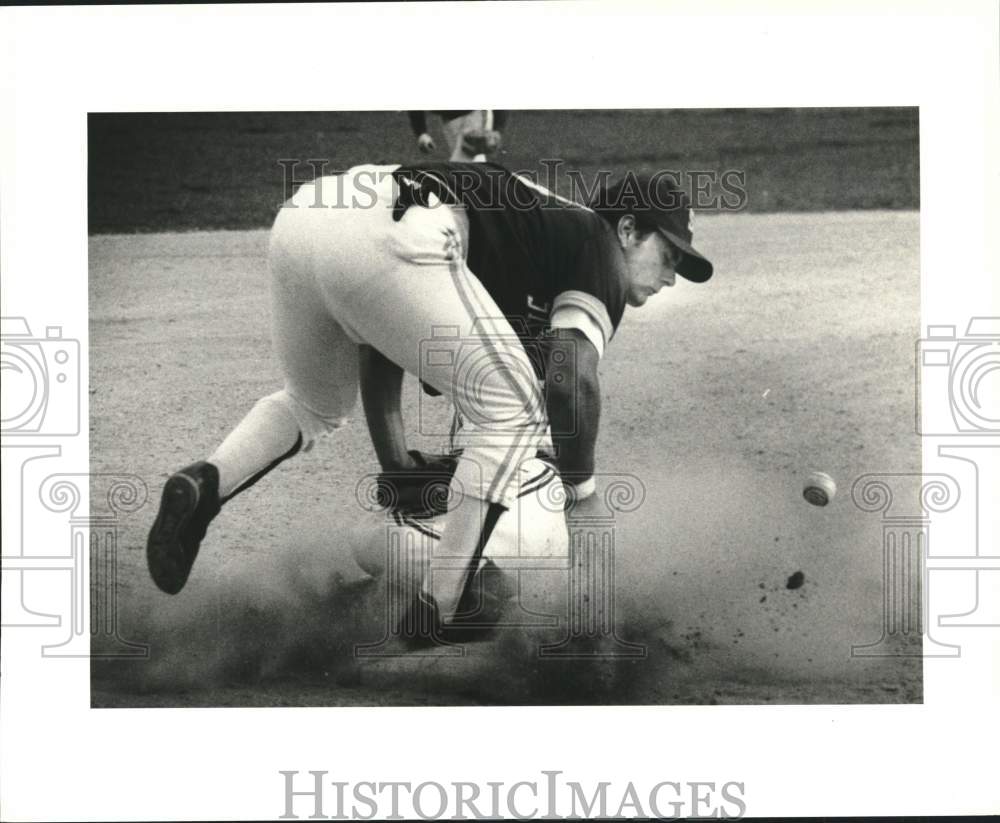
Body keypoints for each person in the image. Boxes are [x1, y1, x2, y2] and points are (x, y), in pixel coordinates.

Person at [146, 161, 713, 643]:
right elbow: (570, 382)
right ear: (630, 229)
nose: (671, 277)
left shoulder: (532, 237)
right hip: (399, 227)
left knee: (313, 405)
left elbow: (379, 343)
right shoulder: (596, 241)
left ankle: (205, 485)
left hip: (307, 218)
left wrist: (395, 462)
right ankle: (444, 604)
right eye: (669, 257)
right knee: (517, 406)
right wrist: (582, 496)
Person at [407, 110, 508, 161]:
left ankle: (476, 199)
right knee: (464, 167)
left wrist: (498, 128)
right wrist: (421, 132)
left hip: (474, 113)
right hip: (449, 119)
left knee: (467, 167)